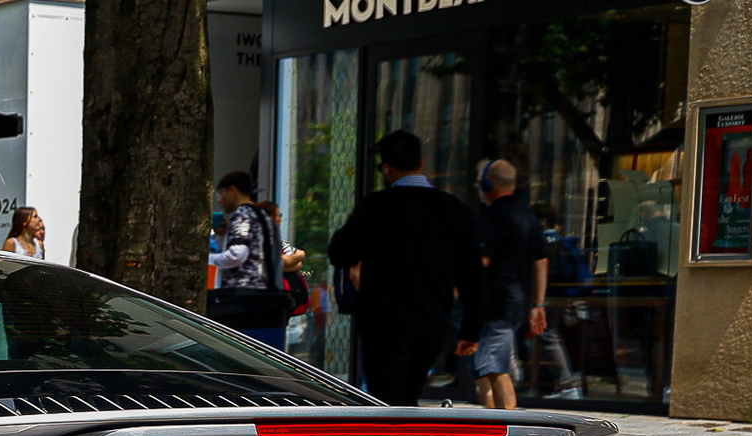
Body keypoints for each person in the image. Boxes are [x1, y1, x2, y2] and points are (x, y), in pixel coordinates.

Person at [326, 130, 484, 405]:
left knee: (385, 398)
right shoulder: (455, 210)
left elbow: (340, 252)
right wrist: (471, 329)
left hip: (382, 321)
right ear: (421, 163)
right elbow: (472, 275)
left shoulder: (375, 206)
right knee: (410, 391)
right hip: (432, 320)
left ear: (386, 168)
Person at [472, 160, 547, 410]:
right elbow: (541, 263)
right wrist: (538, 303)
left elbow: (481, 261)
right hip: (516, 302)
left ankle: (507, 425)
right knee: (484, 369)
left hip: (496, 304)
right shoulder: (529, 216)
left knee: (495, 368)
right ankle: (491, 424)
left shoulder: (491, 216)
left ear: (488, 183)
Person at [205, 172, 290, 348]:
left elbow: (238, 254)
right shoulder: (265, 217)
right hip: (267, 297)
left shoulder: (241, 215)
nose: (219, 200)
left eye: (221, 193)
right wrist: (222, 238)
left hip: (241, 301)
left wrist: (208, 259)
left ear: (233, 190)